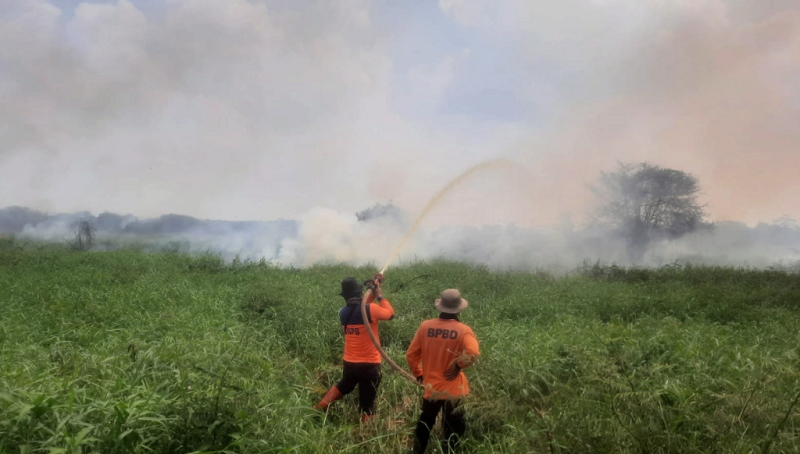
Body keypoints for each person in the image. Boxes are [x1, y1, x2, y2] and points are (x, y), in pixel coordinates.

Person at [314, 272, 395, 423]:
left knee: (344, 386)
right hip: (369, 365)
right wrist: (380, 295)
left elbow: (364, 309)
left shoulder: (344, 313)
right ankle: (363, 433)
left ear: (345, 296)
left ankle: (319, 408)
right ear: (360, 292)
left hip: (350, 362)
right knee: (367, 402)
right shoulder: (370, 309)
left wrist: (375, 287)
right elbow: (390, 314)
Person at [406, 289, 480, 454]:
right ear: (459, 309)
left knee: (425, 424)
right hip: (454, 390)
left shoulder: (426, 326)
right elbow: (473, 352)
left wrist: (419, 374)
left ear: (441, 307)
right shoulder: (463, 330)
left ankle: (418, 451)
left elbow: (411, 355)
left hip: (432, 388)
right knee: (454, 429)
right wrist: (458, 365)